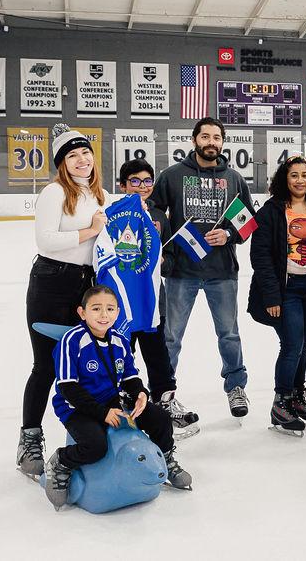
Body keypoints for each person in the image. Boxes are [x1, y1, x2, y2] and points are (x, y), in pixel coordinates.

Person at [43, 286, 191, 509]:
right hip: (76, 406)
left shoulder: (120, 340)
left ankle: (166, 458)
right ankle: (61, 462)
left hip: (110, 400)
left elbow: (130, 376)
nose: (104, 315)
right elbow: (67, 387)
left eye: (110, 309)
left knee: (159, 418)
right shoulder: (72, 340)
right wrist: (102, 413)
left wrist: (141, 393)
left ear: (117, 312)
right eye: (96, 309)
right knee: (95, 445)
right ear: (82, 313)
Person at [149, 117, 253, 420]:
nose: (211, 142)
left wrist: (229, 234)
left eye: (217, 137)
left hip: (222, 271)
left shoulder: (234, 178)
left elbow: (247, 220)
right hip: (182, 271)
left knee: (229, 334)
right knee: (170, 337)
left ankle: (236, 387)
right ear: (194, 140)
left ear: (222, 142)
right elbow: (154, 209)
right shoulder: (173, 175)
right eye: (205, 136)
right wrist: (168, 235)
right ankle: (163, 394)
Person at [17, 124, 106, 477]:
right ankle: (29, 439)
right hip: (51, 284)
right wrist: (91, 230)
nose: (81, 160)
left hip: (86, 286)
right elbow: (47, 241)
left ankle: (84, 439)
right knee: (47, 367)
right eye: (72, 155)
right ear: (62, 163)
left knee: (82, 366)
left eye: (85, 152)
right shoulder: (54, 192)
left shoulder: (99, 194)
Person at [247, 155, 306, 437]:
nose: (300, 180)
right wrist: (272, 296)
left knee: (303, 346)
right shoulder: (272, 211)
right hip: (286, 290)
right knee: (292, 344)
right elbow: (259, 255)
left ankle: (297, 397)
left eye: (305, 175)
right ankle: (281, 402)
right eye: (294, 175)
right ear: (285, 179)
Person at [117, 159, 199, 438]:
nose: (142, 186)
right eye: (134, 181)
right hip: (122, 301)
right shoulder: (113, 213)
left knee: (158, 351)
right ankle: (122, 399)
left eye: (147, 181)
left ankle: (165, 399)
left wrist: (163, 262)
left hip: (152, 298)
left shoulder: (160, 216)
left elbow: (171, 255)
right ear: (122, 185)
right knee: (120, 352)